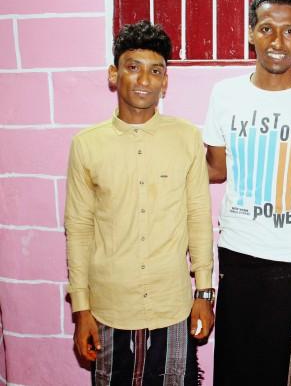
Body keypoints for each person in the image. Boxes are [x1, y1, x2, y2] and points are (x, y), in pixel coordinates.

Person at [203, 0, 291, 385]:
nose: (277, 41)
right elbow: (215, 169)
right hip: (239, 255)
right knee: (239, 371)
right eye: (266, 28)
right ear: (251, 33)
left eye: (289, 31)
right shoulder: (225, 94)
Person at [65, 20, 214, 384]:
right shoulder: (87, 145)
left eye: (155, 71)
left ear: (165, 81)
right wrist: (82, 309)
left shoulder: (186, 138)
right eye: (133, 67)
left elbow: (198, 217)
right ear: (114, 74)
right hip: (109, 306)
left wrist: (204, 293)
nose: (144, 79)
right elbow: (79, 229)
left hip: (172, 304)